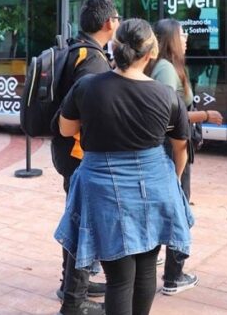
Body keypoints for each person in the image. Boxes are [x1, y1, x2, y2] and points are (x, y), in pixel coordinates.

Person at [55, 18, 193, 315]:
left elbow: (66, 130)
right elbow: (181, 147)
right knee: (146, 269)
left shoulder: (88, 87)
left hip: (103, 187)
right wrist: (173, 181)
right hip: (155, 184)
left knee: (118, 278)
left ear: (113, 49)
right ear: (150, 54)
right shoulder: (167, 95)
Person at [52, 0, 121, 315]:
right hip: (81, 154)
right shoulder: (93, 61)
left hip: (67, 151)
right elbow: (84, 109)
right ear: (108, 23)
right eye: (117, 18)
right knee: (83, 224)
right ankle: (75, 301)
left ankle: (71, 283)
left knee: (77, 219)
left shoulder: (76, 49)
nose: (118, 23)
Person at [146, 18, 223, 296]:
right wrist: (205, 115)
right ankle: (173, 276)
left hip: (171, 145)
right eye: (182, 33)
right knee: (178, 208)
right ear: (170, 39)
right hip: (172, 147)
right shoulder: (166, 70)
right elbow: (167, 115)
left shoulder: (168, 66)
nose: (187, 36)